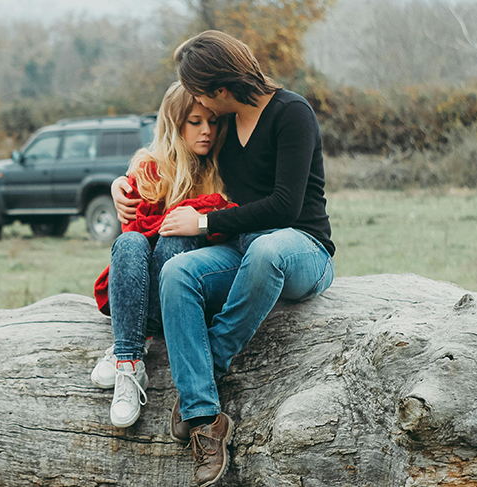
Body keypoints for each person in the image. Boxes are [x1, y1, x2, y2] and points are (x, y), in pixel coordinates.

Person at [111, 31, 335, 486]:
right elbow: (170, 155)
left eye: (197, 89)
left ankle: (204, 369)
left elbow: (286, 205)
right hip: (241, 247)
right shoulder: (225, 124)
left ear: (219, 87)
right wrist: (124, 183)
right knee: (177, 272)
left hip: (300, 248)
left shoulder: (292, 114)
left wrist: (204, 225)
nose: (198, 102)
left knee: (267, 250)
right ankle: (206, 419)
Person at [90, 81, 236, 429]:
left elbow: (231, 223)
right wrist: (119, 185)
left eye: (213, 122)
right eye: (195, 121)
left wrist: (197, 219)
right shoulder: (149, 170)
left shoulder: (222, 169)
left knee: (173, 240)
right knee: (129, 244)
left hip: (185, 293)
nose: (207, 131)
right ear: (174, 124)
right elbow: (132, 240)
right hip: (139, 287)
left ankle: (129, 344)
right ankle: (129, 364)